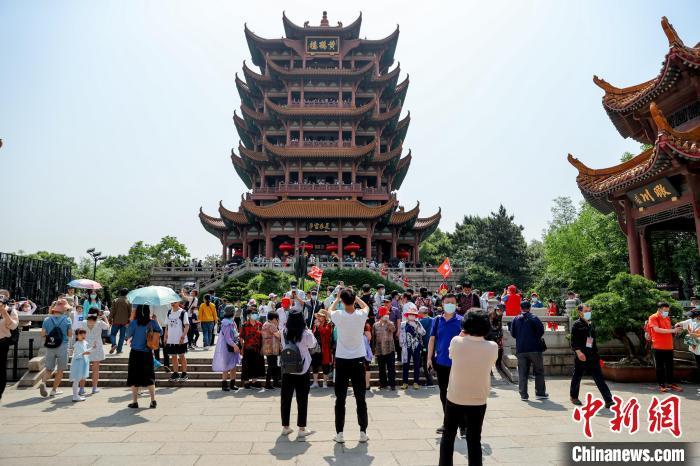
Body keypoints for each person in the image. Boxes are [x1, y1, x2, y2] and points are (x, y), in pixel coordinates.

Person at [438, 310, 498, 466]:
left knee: (448, 436)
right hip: (479, 398)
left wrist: (462, 333)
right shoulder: (492, 347)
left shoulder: (456, 341)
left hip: (455, 396)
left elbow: (451, 355)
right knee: (474, 440)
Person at [328, 288, 370, 444]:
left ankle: (339, 433)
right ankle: (363, 432)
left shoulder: (339, 315)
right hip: (358, 358)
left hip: (342, 359)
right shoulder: (360, 315)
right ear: (353, 300)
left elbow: (329, 310)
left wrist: (337, 298)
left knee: (340, 398)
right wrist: (357, 297)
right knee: (360, 398)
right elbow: (367, 307)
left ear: (343, 301)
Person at [427, 293, 465, 436]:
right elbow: (432, 340)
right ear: (442, 304)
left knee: (459, 395)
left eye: (452, 302)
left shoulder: (461, 321)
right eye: (447, 302)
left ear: (456, 304)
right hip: (441, 363)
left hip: (458, 363)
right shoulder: (437, 320)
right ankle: (448, 423)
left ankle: (463, 425)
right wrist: (429, 358)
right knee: (444, 395)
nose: (450, 304)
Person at [280, 310, 316, 440]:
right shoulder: (305, 333)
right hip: (302, 369)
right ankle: (301, 428)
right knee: (302, 399)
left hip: (287, 368)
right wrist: (309, 330)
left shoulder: (284, 331)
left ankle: (285, 426)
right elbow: (313, 344)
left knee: (285, 398)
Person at [569, 304, 613, 408]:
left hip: (593, 355)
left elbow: (593, 341)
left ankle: (608, 400)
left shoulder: (591, 324)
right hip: (582, 355)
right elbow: (574, 342)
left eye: (589, 311)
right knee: (577, 376)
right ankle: (574, 397)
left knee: (599, 378)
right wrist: (579, 353)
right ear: (580, 312)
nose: (588, 313)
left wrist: (597, 356)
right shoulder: (576, 325)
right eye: (585, 311)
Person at [509, 301, 548, 401]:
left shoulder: (515, 319)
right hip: (534, 348)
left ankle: (523, 395)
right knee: (539, 371)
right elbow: (541, 331)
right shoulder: (534, 318)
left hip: (521, 349)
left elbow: (513, 334)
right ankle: (540, 393)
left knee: (522, 372)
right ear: (530, 308)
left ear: (520, 308)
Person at [126, 304, 161, 409]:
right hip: (147, 352)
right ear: (147, 311)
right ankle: (153, 400)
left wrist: (130, 322)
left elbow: (127, 335)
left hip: (135, 353)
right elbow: (160, 332)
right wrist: (155, 320)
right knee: (149, 376)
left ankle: (135, 402)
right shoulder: (152, 322)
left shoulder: (134, 323)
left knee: (134, 377)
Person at [38, 298, 73, 398]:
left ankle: (43, 382)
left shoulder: (47, 319)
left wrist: (49, 336)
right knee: (60, 370)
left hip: (50, 345)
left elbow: (43, 333)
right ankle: (54, 390)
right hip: (63, 345)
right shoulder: (67, 319)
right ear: (64, 309)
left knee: (49, 368)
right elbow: (70, 334)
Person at [648, 302, 682, 393]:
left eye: (668, 310)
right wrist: (672, 330)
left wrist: (675, 328)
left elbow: (667, 329)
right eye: (665, 310)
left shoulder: (667, 317)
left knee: (670, 366)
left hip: (669, 346)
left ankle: (671, 383)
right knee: (660, 367)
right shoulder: (653, 317)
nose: (667, 312)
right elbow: (656, 329)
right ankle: (661, 384)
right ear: (659, 309)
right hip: (658, 346)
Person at [212, 305, 241, 392]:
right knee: (226, 366)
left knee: (233, 366)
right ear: (232, 312)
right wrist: (235, 346)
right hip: (227, 347)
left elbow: (235, 334)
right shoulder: (226, 323)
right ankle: (224, 384)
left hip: (233, 346)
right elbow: (227, 338)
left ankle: (232, 384)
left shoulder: (232, 322)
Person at [81, 311, 109, 394]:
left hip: (85, 346)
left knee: (83, 369)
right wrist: (104, 317)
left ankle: (81, 389)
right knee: (96, 369)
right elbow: (107, 327)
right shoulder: (100, 323)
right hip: (97, 347)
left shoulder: (83, 322)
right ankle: (94, 388)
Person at [400, 302, 426, 389]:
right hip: (406, 346)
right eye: (410, 314)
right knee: (405, 364)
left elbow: (423, 332)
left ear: (415, 316)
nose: (412, 316)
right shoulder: (403, 324)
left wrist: (416, 326)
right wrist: (401, 345)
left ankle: (416, 382)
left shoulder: (418, 323)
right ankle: (405, 382)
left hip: (416, 346)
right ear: (407, 315)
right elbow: (401, 335)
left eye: (413, 314)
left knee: (416, 364)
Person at [164, 300, 190, 383]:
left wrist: (183, 336)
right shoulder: (169, 312)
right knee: (173, 356)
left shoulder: (183, 312)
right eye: (171, 302)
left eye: (174, 302)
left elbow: (187, 325)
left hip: (180, 339)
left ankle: (184, 373)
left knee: (182, 356)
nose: (172, 303)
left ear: (179, 302)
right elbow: (167, 326)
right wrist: (165, 336)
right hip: (171, 339)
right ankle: (175, 373)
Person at [0, 296, 19, 402]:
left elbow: (13, 326)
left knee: (1, 369)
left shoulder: (11, 311)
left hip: (2, 343)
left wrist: (4, 312)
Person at [372, 306, 396, 390]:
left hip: (390, 349)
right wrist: (373, 349)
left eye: (387, 314)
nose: (387, 315)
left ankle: (392, 384)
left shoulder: (391, 323)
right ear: (381, 315)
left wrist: (388, 321)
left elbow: (393, 330)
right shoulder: (375, 325)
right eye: (386, 314)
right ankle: (383, 383)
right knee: (381, 368)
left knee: (391, 368)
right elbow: (374, 338)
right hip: (379, 349)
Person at [240, 308, 265, 389]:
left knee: (256, 364)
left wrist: (262, 347)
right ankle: (246, 382)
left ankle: (254, 381)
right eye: (253, 314)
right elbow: (241, 337)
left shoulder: (260, 324)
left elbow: (263, 337)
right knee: (246, 365)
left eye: (256, 314)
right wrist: (241, 348)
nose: (255, 316)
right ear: (249, 316)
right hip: (247, 347)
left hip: (257, 348)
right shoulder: (244, 325)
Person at [311, 309, 333, 388]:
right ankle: (315, 382)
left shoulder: (328, 325)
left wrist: (319, 326)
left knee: (325, 365)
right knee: (315, 365)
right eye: (318, 316)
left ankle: (325, 383)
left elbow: (325, 332)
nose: (319, 317)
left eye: (320, 316)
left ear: (324, 317)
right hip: (316, 348)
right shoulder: (315, 325)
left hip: (324, 348)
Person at [69, 328, 91, 402]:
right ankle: (75, 396)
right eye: (81, 334)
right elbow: (76, 356)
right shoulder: (77, 344)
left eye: (84, 333)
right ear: (77, 336)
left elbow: (86, 351)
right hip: (78, 364)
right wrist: (83, 353)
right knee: (76, 380)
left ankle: (76, 395)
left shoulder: (84, 342)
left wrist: (92, 348)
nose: (83, 335)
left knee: (78, 379)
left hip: (83, 363)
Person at [262, 311, 282, 389]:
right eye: (277, 319)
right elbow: (279, 336)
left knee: (272, 366)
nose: (277, 320)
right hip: (273, 348)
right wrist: (277, 326)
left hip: (267, 348)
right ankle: (268, 383)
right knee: (272, 366)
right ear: (273, 319)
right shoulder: (272, 325)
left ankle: (275, 382)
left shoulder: (265, 324)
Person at [109, 288, 131, 354]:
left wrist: (110, 318)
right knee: (122, 336)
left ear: (120, 293)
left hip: (116, 321)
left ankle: (113, 344)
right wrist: (129, 321)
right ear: (127, 293)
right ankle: (119, 350)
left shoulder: (115, 300)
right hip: (125, 322)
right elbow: (130, 312)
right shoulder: (128, 301)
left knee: (112, 334)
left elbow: (112, 311)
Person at [417, 306, 435, 386]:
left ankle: (430, 381)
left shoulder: (422, 321)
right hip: (434, 344)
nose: (418, 313)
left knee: (426, 362)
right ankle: (432, 377)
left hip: (426, 345)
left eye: (419, 312)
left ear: (422, 313)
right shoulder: (434, 320)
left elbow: (418, 332)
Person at [486, 304, 505, 370]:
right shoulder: (491, 315)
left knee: (500, 350)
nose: (500, 311)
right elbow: (492, 327)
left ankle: (498, 364)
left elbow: (499, 326)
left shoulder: (500, 316)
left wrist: (501, 335)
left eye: (501, 310)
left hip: (497, 335)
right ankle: (489, 368)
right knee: (489, 352)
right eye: (498, 310)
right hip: (489, 335)